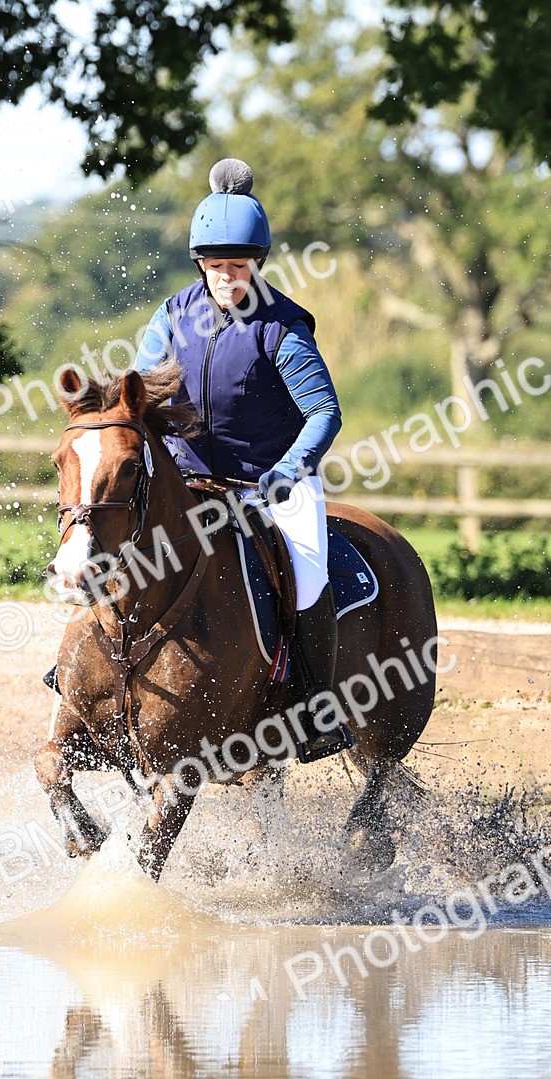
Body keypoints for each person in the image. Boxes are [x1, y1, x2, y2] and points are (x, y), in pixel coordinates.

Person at [133, 158, 352, 762]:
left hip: (270, 482)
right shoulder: (172, 318)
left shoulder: (282, 328)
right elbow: (141, 389)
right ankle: (85, 672)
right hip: (187, 479)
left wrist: (289, 470)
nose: (227, 278)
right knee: (116, 538)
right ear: (200, 263)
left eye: (238, 266)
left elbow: (323, 414)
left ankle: (315, 706)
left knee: (307, 576)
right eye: (216, 266)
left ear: (257, 263)